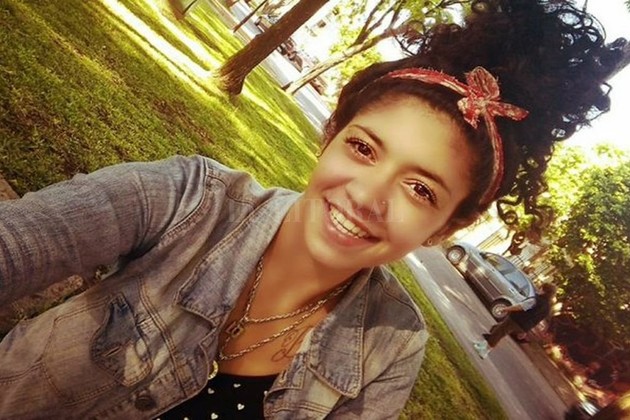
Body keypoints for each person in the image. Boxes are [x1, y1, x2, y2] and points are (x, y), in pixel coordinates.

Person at [0, 0, 624, 418]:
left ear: (448, 228)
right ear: (330, 137)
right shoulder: (185, 198)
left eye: (421, 190)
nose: (367, 196)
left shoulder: (391, 347)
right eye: (363, 148)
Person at [473, 283, 558, 359]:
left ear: (544, 291)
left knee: (499, 332)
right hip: (523, 326)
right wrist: (526, 331)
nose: (539, 289)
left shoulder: (536, 300)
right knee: (497, 327)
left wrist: (506, 309)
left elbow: (521, 307)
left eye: (541, 288)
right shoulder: (547, 309)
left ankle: (485, 351)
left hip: (516, 320)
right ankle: (483, 343)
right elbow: (536, 321)